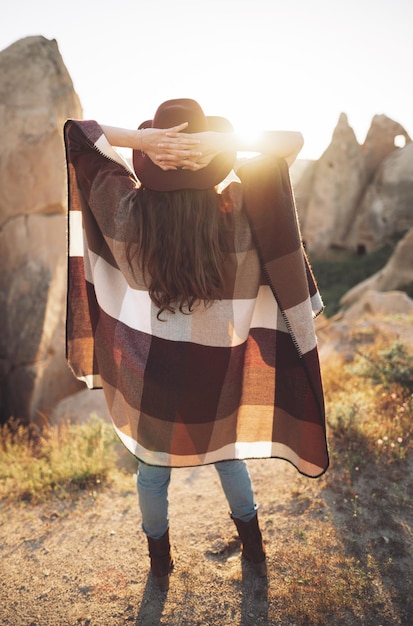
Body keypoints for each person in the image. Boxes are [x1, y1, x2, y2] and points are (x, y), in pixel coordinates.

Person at [64, 98, 328, 591]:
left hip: (153, 377)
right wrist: (221, 144)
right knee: (228, 457)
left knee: (151, 474)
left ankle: (160, 563)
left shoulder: (127, 212)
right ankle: (253, 548)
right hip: (218, 372)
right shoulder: (237, 211)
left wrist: (144, 142)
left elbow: (80, 136)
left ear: (153, 161)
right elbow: (291, 142)